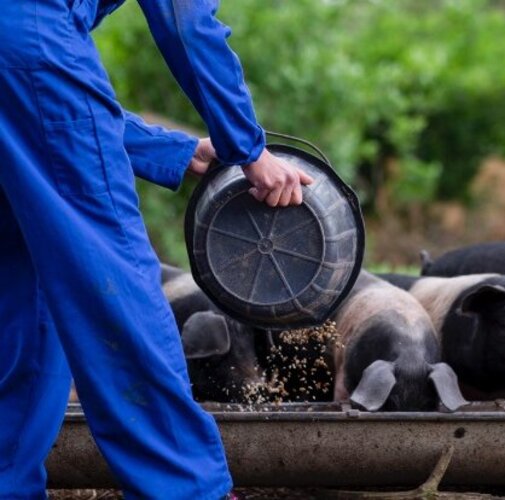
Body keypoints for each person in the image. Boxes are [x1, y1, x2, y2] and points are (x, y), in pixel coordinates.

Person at [0, 0, 311, 497]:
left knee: (19, 286)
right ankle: (183, 487)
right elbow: (184, 18)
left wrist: (173, 148)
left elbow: (18, 67)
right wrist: (247, 149)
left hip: (24, 54)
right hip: (33, 48)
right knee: (115, 286)